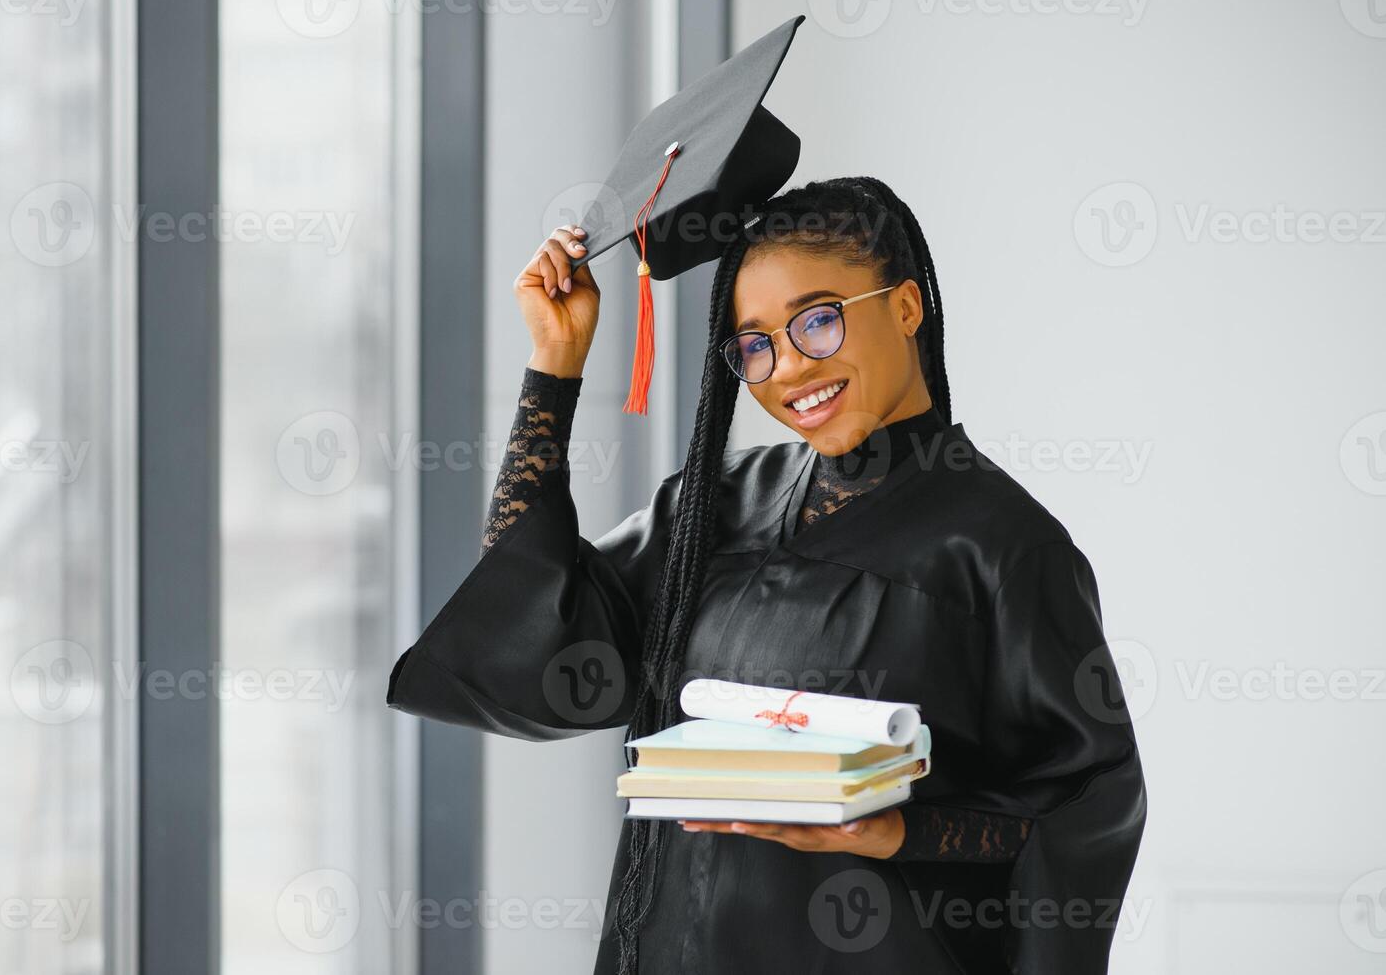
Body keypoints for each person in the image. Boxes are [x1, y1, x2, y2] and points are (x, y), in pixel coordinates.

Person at [387, 176, 1147, 974]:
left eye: (818, 321)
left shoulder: (1000, 545)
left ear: (906, 308)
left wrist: (897, 829)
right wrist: (555, 365)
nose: (788, 369)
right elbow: (532, 630)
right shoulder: (716, 506)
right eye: (756, 344)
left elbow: (1078, 812)